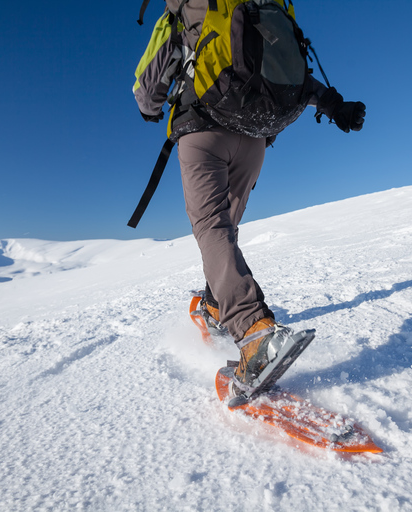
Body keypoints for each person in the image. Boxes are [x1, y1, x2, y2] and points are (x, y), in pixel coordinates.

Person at [134, 0, 365, 397]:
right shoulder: (262, 3)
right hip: (255, 137)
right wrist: (333, 104)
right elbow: (285, 71)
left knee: (212, 227)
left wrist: (153, 107)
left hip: (203, 129)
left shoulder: (182, 9)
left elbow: (147, 93)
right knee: (227, 229)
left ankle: (254, 332)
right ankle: (213, 304)